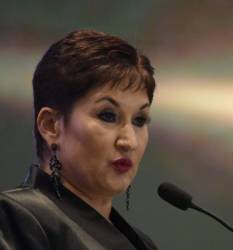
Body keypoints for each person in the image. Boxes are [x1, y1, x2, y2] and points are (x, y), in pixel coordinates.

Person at [0, 30, 157, 250]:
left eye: (140, 120)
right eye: (108, 116)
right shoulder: (13, 218)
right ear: (51, 125)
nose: (129, 141)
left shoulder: (142, 244)